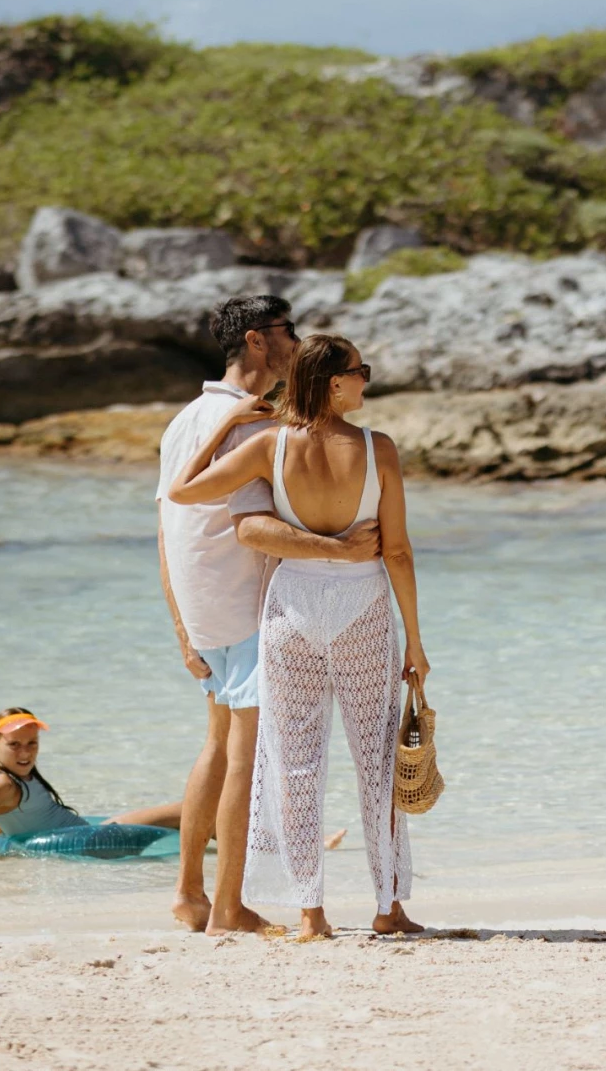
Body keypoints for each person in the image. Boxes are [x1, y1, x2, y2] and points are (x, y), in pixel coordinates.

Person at [168, 333, 428, 939]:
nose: (367, 379)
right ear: (335, 382)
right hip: (363, 603)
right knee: (379, 763)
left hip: (292, 608)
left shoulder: (267, 445)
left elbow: (183, 490)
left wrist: (228, 424)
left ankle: (311, 913)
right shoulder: (378, 448)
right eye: (361, 371)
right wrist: (414, 641)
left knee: (296, 765)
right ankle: (388, 907)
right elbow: (399, 552)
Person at [0, 707, 182, 856]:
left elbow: (3, 817)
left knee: (188, 812)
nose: (25, 752)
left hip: (87, 834)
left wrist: (0, 845)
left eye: (32, 743)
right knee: (185, 811)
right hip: (91, 842)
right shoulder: (3, 784)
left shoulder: (16, 779)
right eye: (14, 745)